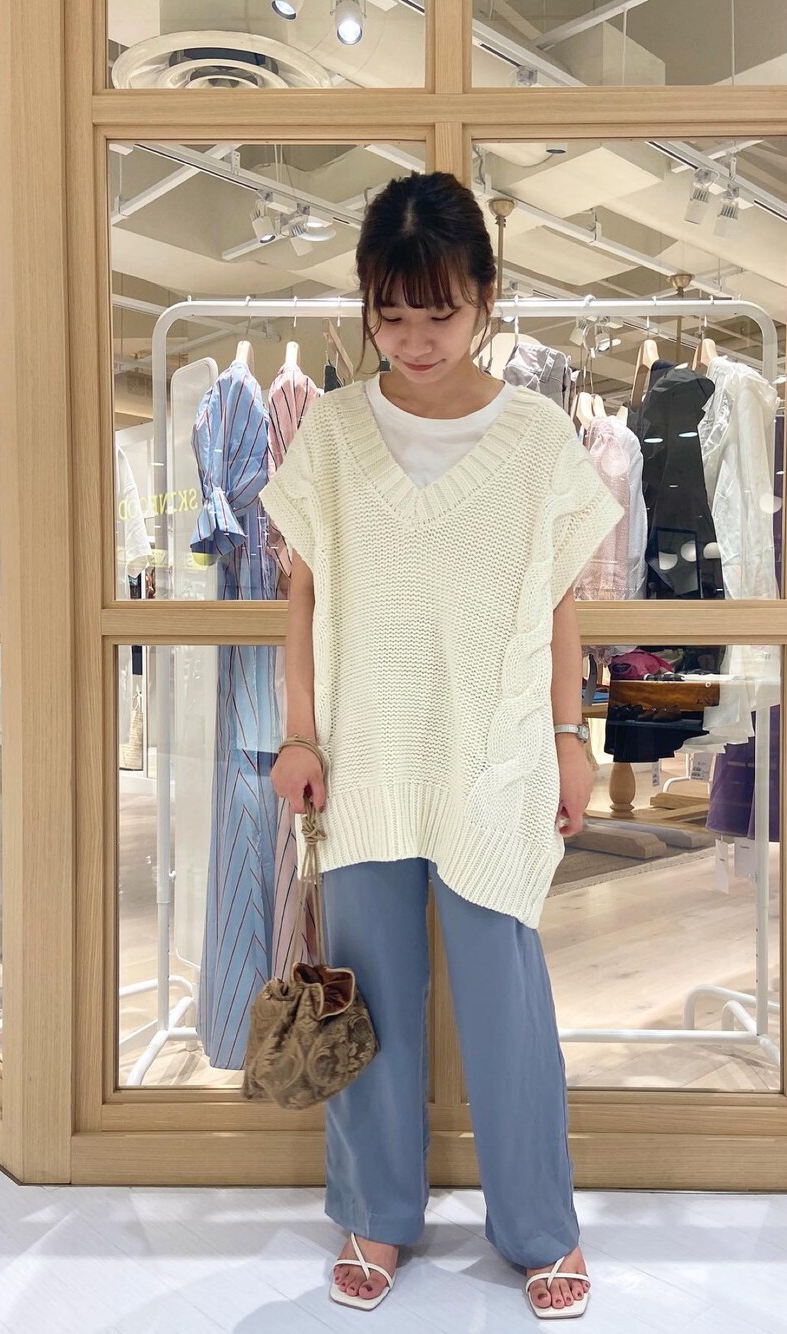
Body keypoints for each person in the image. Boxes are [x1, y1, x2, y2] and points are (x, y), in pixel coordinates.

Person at [258, 170, 623, 1320]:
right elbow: (301, 600)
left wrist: (570, 738)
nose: (414, 338)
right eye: (390, 313)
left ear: (486, 301)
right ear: (366, 306)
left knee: (506, 1003)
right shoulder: (331, 431)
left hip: (494, 758)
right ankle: (374, 1209)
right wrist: (298, 733)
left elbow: (559, 606)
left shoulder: (534, 437)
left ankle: (540, 1223)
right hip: (363, 756)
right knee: (365, 993)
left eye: (439, 311)